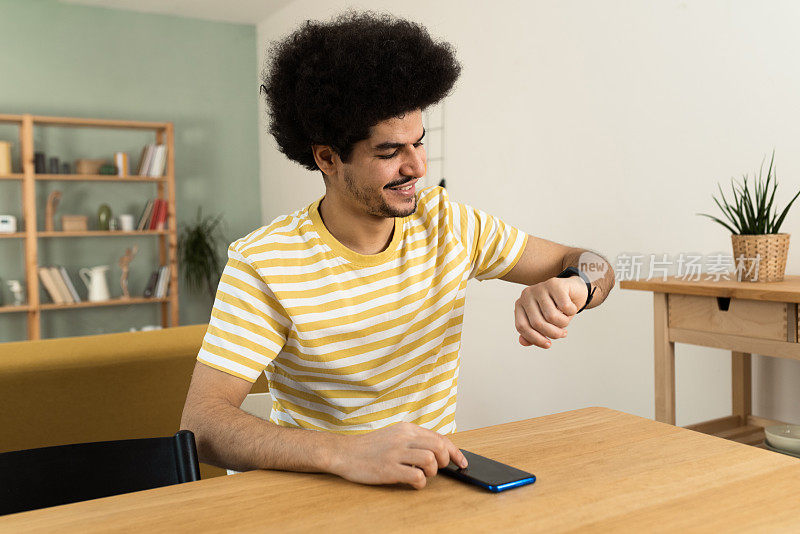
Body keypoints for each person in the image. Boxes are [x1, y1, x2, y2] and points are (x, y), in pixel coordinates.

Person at [180, 11, 615, 490]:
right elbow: (203, 424)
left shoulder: (450, 224)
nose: (417, 167)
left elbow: (595, 261)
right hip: (311, 494)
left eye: (420, 143)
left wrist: (575, 285)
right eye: (390, 152)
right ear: (327, 158)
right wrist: (346, 452)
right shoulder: (264, 262)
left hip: (428, 486)